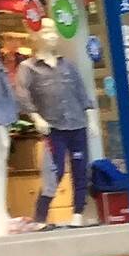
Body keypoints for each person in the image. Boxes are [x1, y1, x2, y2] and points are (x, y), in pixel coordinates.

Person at [14, 34, 95, 230]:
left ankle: (77, 213)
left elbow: (81, 92)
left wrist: (91, 119)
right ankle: (41, 216)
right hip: (53, 127)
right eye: (46, 32)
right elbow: (23, 96)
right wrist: (36, 117)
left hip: (77, 123)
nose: (51, 36)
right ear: (36, 37)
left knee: (80, 169)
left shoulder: (68, 65)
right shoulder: (28, 68)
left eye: (53, 32)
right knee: (54, 170)